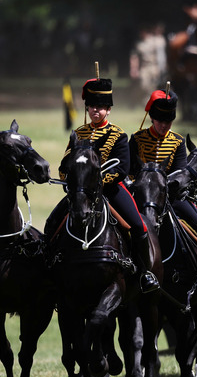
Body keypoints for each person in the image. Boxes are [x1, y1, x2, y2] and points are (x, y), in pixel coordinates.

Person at [47, 76, 159, 292]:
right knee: (53, 222)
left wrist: (98, 183)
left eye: (100, 107)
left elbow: (121, 169)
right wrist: (69, 181)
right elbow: (64, 166)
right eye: (91, 106)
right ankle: (50, 267)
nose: (95, 111)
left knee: (139, 225)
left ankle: (145, 273)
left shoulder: (117, 135)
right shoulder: (78, 134)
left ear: (108, 110)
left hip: (111, 190)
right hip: (80, 192)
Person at [131, 88, 197, 279]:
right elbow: (130, 171)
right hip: (142, 195)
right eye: (160, 121)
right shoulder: (137, 139)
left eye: (168, 121)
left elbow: (180, 172)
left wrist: (166, 187)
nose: (164, 125)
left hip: (170, 196)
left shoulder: (177, 141)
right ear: (152, 118)